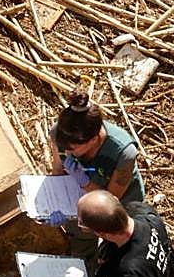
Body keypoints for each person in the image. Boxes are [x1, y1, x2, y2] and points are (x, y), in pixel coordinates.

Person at [47, 84, 145, 265]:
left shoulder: (123, 152)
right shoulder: (57, 134)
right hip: (78, 197)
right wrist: (52, 204)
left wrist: (85, 183)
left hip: (118, 203)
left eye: (72, 149)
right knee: (81, 237)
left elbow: (111, 200)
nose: (67, 152)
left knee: (120, 248)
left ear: (93, 139)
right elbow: (58, 171)